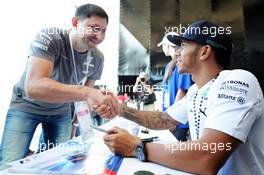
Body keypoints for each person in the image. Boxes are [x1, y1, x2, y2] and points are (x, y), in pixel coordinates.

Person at [97, 20, 264, 174]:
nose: (177, 53)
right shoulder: (194, 92)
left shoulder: (238, 80)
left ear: (204, 52)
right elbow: (163, 119)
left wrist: (137, 147)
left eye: (183, 46)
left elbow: (206, 155)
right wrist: (119, 108)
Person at [0, 3, 118, 169]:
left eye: (104, 30)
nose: (99, 36)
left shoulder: (98, 58)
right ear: (76, 22)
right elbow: (33, 86)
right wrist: (86, 92)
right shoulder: (50, 38)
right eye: (93, 28)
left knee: (57, 165)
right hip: (26, 106)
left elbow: (85, 99)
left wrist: (89, 114)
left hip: (60, 112)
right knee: (8, 165)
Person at [158, 32, 193, 141]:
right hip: (168, 117)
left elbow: (181, 92)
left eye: (163, 45)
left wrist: (172, 119)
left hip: (178, 122)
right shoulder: (169, 66)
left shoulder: (182, 63)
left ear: (168, 45)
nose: (162, 48)